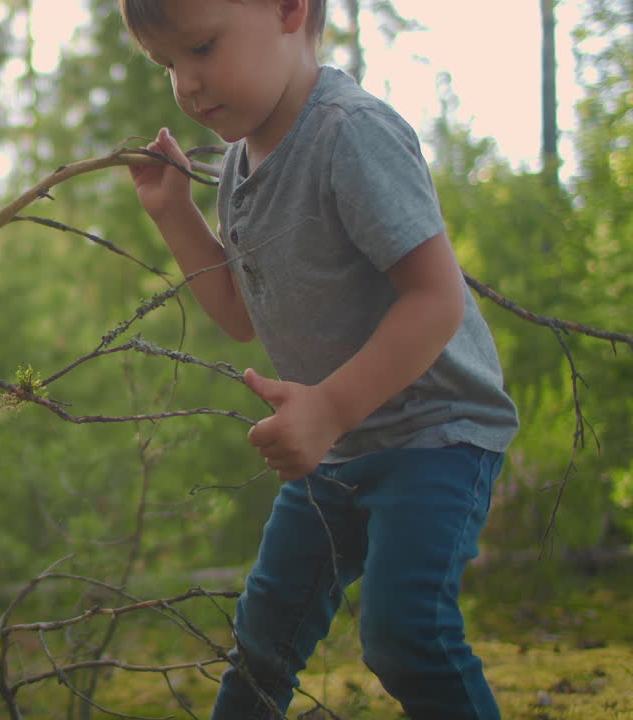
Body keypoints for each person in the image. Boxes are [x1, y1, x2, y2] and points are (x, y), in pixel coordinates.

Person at [118, 0, 519, 718]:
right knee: (262, 646)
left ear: (287, 10)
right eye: (168, 64)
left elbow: (436, 299)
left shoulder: (349, 132)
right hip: (335, 454)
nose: (187, 83)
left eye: (203, 47)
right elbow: (241, 314)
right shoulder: (240, 167)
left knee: (405, 633)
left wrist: (329, 408)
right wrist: (175, 213)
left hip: (437, 433)